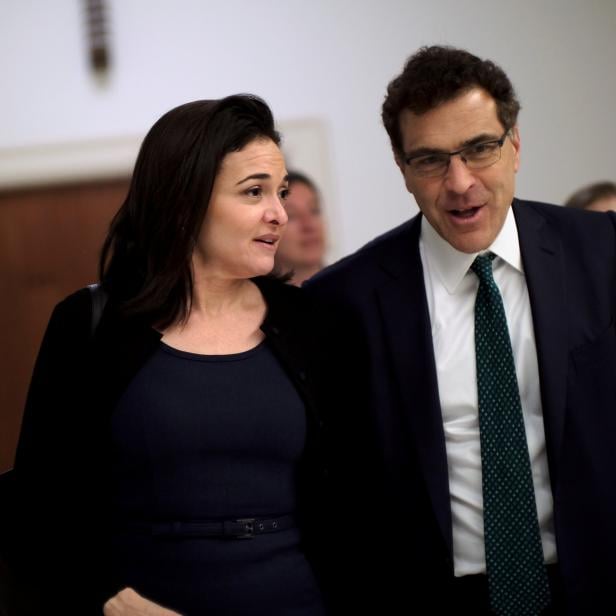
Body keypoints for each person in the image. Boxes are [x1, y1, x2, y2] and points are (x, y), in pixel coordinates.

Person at [305, 45, 616, 614]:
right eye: (429, 160)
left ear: (515, 144)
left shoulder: (603, 253)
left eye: (479, 149)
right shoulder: (340, 303)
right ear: (402, 169)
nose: (460, 182)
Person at [10, 95, 330, 615]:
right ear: (185, 201)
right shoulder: (88, 325)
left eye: (282, 192)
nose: (280, 213)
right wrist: (112, 600)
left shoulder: (310, 322)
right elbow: (40, 505)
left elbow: (354, 499)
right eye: (254, 192)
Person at [273, 170, 327, 286]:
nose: (309, 225)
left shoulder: (355, 291)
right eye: (291, 215)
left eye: (314, 210)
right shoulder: (252, 301)